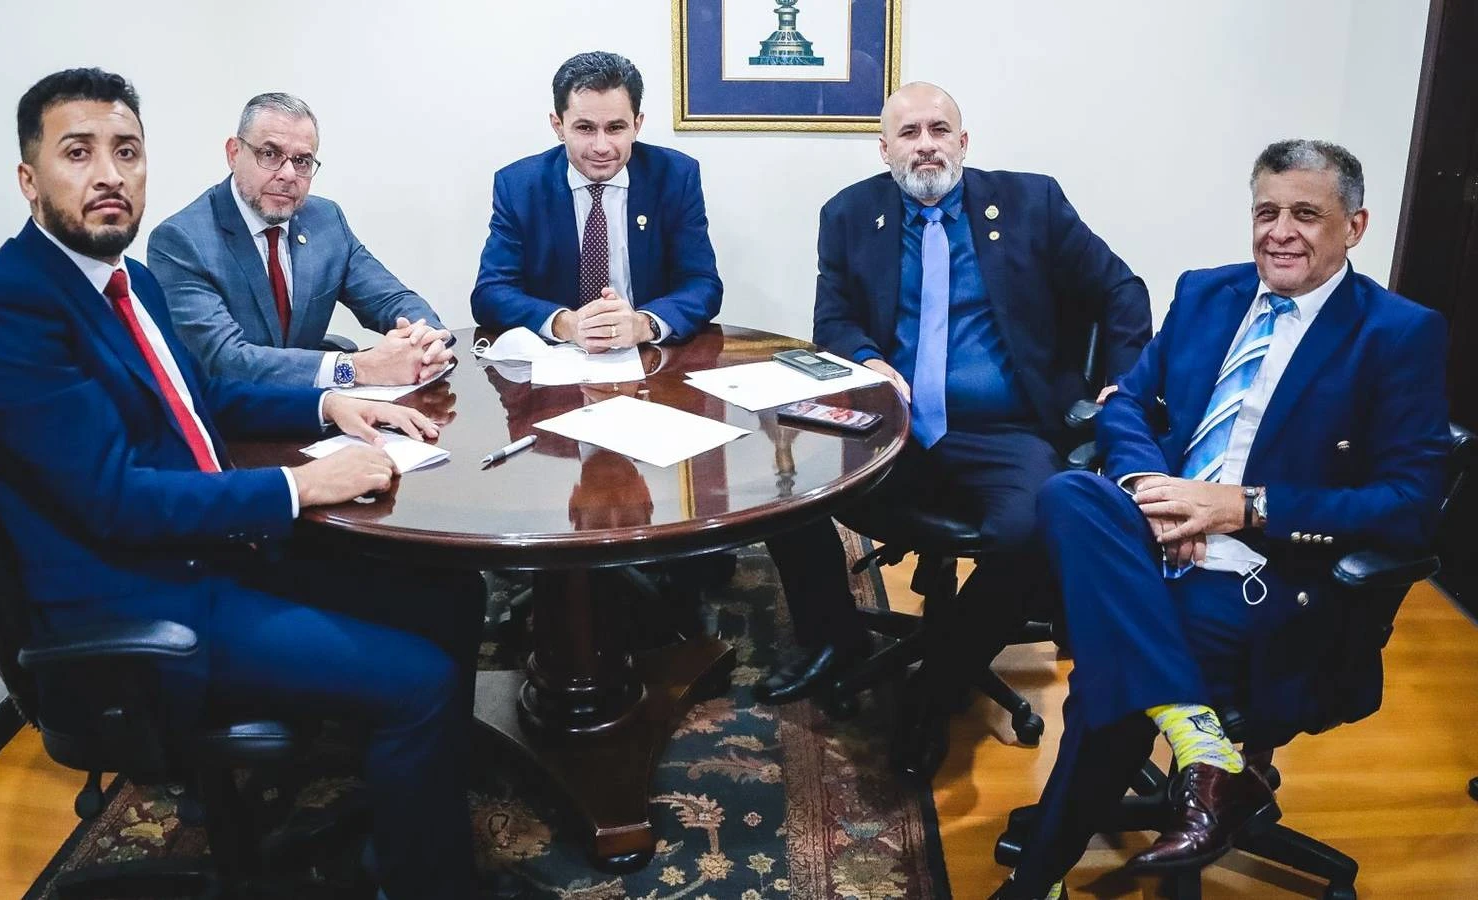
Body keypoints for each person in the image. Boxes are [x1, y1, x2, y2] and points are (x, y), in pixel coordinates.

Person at [0, 69, 482, 900]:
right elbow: (116, 500)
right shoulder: (9, 314)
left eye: (127, 151)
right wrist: (301, 488)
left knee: (451, 593)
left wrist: (331, 404)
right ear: (29, 178)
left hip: (209, 548)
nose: (109, 174)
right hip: (144, 602)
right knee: (420, 680)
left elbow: (205, 396)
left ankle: (414, 801)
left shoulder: (124, 280)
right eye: (78, 153)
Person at [995, 140, 1449, 899]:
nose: (1280, 232)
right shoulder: (1207, 292)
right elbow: (1127, 403)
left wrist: (1244, 507)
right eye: (1267, 212)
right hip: (1155, 538)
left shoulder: (1397, 333)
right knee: (1069, 493)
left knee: (1109, 690)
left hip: (1261, 574)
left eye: (1306, 214)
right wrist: (1155, 494)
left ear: (1355, 226)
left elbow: (1409, 503)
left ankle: (1035, 880)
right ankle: (1204, 749)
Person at [754, 83, 1152, 711]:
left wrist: (1121, 386)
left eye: (939, 130)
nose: (926, 145)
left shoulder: (1032, 203)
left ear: (963, 142)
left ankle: (935, 689)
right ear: (884, 149)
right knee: (781, 485)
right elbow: (834, 319)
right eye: (909, 133)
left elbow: (1121, 290)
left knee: (1034, 531)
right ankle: (834, 635)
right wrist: (869, 360)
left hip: (1007, 430)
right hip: (892, 429)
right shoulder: (849, 214)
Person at [149, 92, 454, 389]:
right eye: (270, 154)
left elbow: (390, 299)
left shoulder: (325, 220)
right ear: (234, 153)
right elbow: (225, 360)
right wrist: (358, 367)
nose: (288, 174)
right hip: (233, 416)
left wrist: (428, 342)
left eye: (302, 161)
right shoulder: (181, 241)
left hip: (318, 409)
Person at [470, 50, 722, 348]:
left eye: (615, 128)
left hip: (649, 355)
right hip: (556, 358)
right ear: (558, 126)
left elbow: (702, 284)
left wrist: (645, 324)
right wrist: (566, 323)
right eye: (585, 128)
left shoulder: (675, 177)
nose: (601, 146)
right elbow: (491, 293)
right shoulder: (519, 186)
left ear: (637, 125)